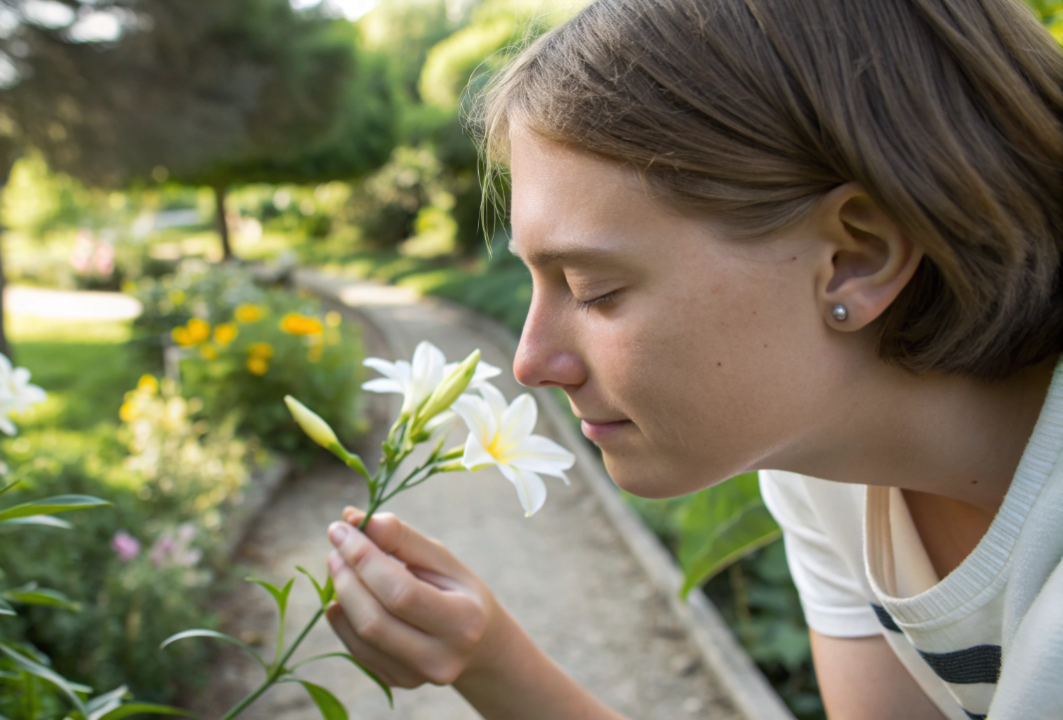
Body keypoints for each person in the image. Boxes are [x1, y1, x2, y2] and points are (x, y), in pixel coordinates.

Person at [320, 0, 1063, 717]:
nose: (530, 362)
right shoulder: (829, 467)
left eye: (593, 287)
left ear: (855, 257)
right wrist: (488, 659)